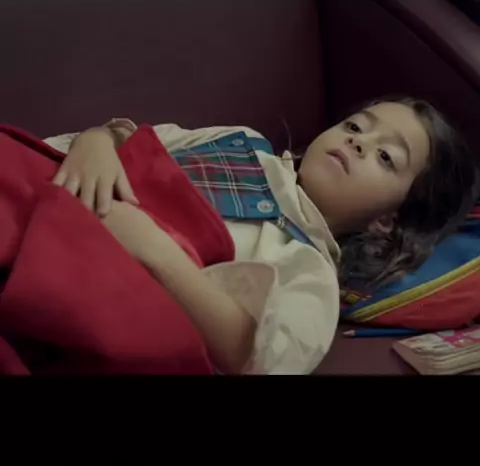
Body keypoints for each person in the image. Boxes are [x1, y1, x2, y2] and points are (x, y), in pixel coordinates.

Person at [44, 98, 478, 376]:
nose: (358, 142)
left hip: (75, 295)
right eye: (355, 126)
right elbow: (133, 138)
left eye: (385, 156)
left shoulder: (309, 269)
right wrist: (96, 143)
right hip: (46, 200)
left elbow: (264, 359)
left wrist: (157, 252)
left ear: (386, 221)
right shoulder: (243, 143)